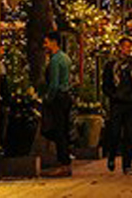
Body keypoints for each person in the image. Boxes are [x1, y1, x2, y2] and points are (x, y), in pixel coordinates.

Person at [102, 37, 132, 175]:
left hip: (131, 104)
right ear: (120, 47)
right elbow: (105, 85)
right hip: (117, 104)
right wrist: (114, 96)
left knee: (130, 135)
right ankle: (112, 156)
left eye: (129, 47)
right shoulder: (111, 65)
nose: (128, 49)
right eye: (125, 46)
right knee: (114, 133)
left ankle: (127, 165)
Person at [42, 31, 72, 177]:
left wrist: (48, 98)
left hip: (58, 98)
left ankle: (63, 163)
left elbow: (54, 83)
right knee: (63, 130)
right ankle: (66, 161)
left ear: (54, 42)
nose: (45, 45)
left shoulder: (55, 60)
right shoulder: (65, 58)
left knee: (57, 130)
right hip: (66, 97)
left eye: (46, 42)